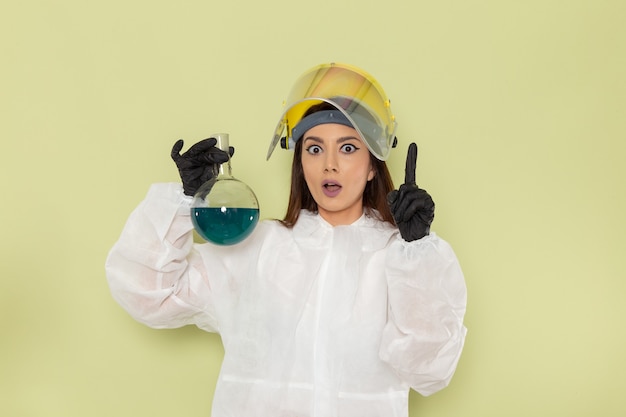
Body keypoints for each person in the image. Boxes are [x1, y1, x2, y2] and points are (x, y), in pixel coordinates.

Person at [106, 62, 467, 417]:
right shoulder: (260, 249)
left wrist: (418, 252)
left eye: (347, 148)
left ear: (374, 165)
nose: (329, 164)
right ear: (300, 162)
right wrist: (188, 199)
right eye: (313, 148)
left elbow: (430, 369)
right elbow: (148, 293)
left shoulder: (398, 259)